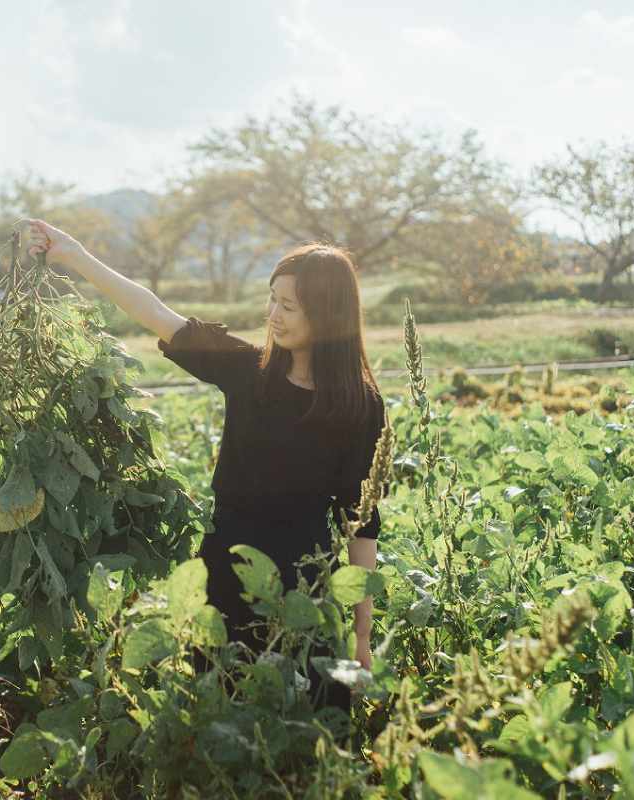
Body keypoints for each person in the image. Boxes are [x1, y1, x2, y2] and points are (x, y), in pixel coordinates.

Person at [22, 219, 386, 714]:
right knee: (220, 716)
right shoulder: (248, 371)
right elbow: (156, 312)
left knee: (313, 725)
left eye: (289, 305)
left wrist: (361, 635)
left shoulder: (359, 406)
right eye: (271, 299)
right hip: (223, 574)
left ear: (327, 314)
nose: (273, 315)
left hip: (306, 589)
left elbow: (361, 524)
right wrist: (77, 254)